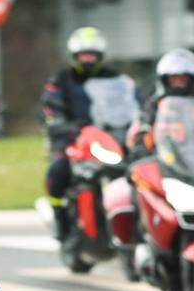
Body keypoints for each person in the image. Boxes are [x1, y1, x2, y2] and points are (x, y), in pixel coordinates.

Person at [40, 27, 129, 240]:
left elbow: (130, 103)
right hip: (72, 140)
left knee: (133, 171)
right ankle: (60, 214)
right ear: (75, 56)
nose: (88, 59)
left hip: (109, 139)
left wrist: (131, 123)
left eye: (92, 55)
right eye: (83, 55)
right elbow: (50, 108)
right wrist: (61, 124)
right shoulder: (60, 80)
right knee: (57, 171)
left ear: (100, 56)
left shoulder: (117, 80)